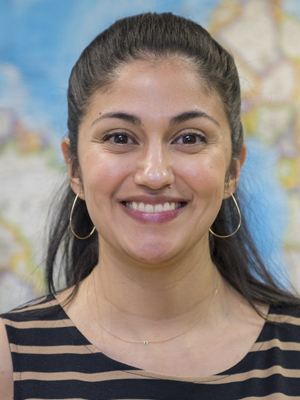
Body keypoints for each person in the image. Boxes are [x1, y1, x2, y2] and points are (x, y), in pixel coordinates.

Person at [1, 12, 300, 400]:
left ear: (233, 169)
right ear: (74, 167)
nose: (155, 174)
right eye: (120, 137)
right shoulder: (10, 362)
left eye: (189, 138)